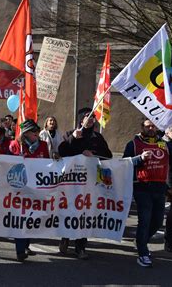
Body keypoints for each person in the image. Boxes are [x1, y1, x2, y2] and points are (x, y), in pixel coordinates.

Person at [58, 108, 112, 260]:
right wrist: (73, 139)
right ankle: (65, 238)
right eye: (87, 117)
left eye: (93, 117)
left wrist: (93, 155)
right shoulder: (71, 133)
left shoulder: (97, 137)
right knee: (69, 211)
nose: (90, 120)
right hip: (71, 183)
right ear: (81, 120)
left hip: (90, 184)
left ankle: (80, 247)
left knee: (85, 214)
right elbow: (61, 152)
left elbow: (108, 155)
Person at [123, 119, 169, 267]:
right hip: (142, 188)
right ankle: (143, 253)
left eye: (153, 126)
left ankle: (140, 241)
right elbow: (125, 162)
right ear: (142, 127)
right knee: (145, 221)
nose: (151, 128)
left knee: (157, 221)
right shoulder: (134, 144)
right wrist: (139, 159)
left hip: (160, 188)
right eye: (148, 126)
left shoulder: (163, 144)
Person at [8, 119, 49, 262]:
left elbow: (47, 165)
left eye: (37, 131)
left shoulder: (43, 145)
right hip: (18, 189)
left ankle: (26, 245)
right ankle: (20, 250)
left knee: (31, 218)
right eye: (34, 131)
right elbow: (6, 162)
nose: (37, 133)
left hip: (36, 189)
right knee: (20, 218)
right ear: (26, 134)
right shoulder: (15, 145)